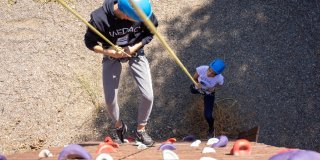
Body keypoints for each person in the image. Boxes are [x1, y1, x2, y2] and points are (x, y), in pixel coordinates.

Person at [84, 0, 158, 146]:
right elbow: (89, 42)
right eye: (135, 20)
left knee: (148, 95)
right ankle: (119, 126)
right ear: (124, 14)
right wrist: (108, 51)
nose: (140, 22)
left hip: (135, 52)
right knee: (110, 101)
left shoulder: (141, 10)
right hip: (112, 54)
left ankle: (141, 130)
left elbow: (150, 33)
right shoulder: (99, 19)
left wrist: (133, 48)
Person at [190, 58, 225, 138]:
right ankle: (197, 91)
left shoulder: (219, 78)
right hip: (199, 88)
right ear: (209, 67)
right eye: (209, 70)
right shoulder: (202, 69)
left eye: (213, 73)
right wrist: (197, 83)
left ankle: (211, 128)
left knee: (208, 115)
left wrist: (213, 89)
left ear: (217, 74)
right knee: (192, 90)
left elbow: (220, 85)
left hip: (209, 93)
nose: (209, 74)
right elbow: (194, 78)